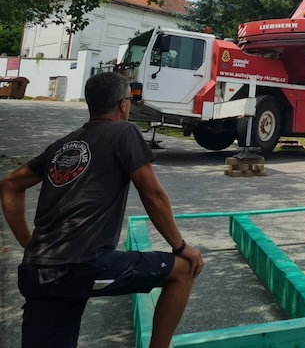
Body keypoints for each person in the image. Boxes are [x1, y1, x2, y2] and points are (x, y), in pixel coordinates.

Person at [0, 71, 204, 348]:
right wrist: (180, 246)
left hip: (36, 270)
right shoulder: (125, 131)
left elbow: (9, 185)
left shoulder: (63, 144)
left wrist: (29, 243)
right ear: (123, 104)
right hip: (80, 267)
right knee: (183, 270)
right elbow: (152, 193)